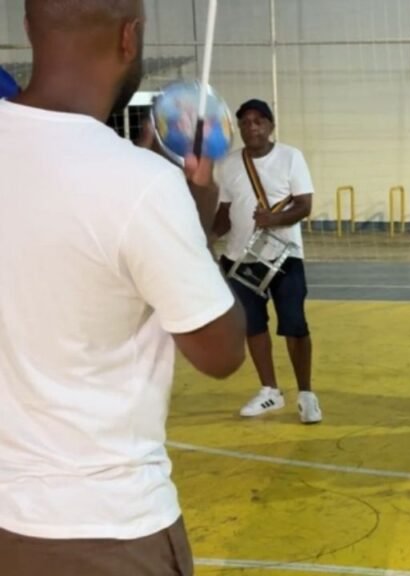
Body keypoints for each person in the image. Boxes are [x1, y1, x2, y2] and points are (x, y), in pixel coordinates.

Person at [0, 1, 246, 574]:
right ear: (129, 37)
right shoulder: (140, 185)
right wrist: (191, 225)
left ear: (30, 28)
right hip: (102, 528)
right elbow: (221, 352)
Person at [213, 99, 322, 424]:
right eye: (245, 122)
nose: (252, 127)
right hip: (240, 258)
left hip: (284, 257)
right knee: (253, 325)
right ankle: (269, 391)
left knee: (294, 324)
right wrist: (202, 237)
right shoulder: (230, 164)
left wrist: (271, 220)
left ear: (271, 125)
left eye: (259, 121)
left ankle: (306, 393)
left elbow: (304, 206)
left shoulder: (291, 157)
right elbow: (224, 214)